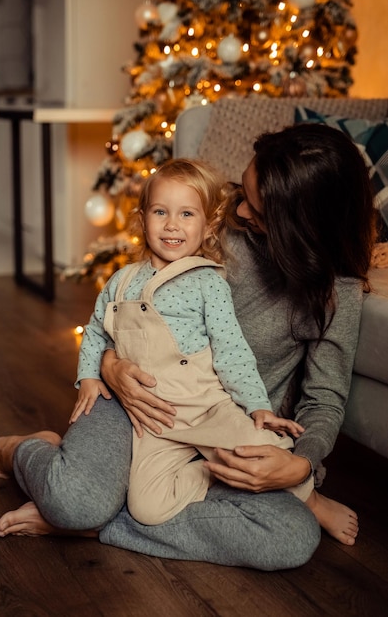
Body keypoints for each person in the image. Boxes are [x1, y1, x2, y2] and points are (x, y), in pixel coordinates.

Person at [0, 123, 376, 568]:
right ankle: (26, 454)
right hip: (139, 403)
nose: (240, 210)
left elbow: (324, 400)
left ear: (298, 226)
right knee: (75, 499)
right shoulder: (205, 218)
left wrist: (301, 465)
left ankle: (89, 523)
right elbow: (128, 306)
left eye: (257, 209)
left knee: (291, 537)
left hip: (221, 424)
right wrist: (108, 366)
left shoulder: (336, 292)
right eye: (242, 190)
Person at [70, 158, 312, 526]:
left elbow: (232, 351)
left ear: (209, 225)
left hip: (206, 407)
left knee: (268, 451)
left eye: (186, 214)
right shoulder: (120, 280)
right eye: (160, 212)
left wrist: (258, 405)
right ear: (142, 217)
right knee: (147, 509)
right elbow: (96, 331)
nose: (171, 225)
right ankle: (215, 473)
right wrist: (89, 375)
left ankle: (290, 492)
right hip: (154, 421)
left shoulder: (207, 282)